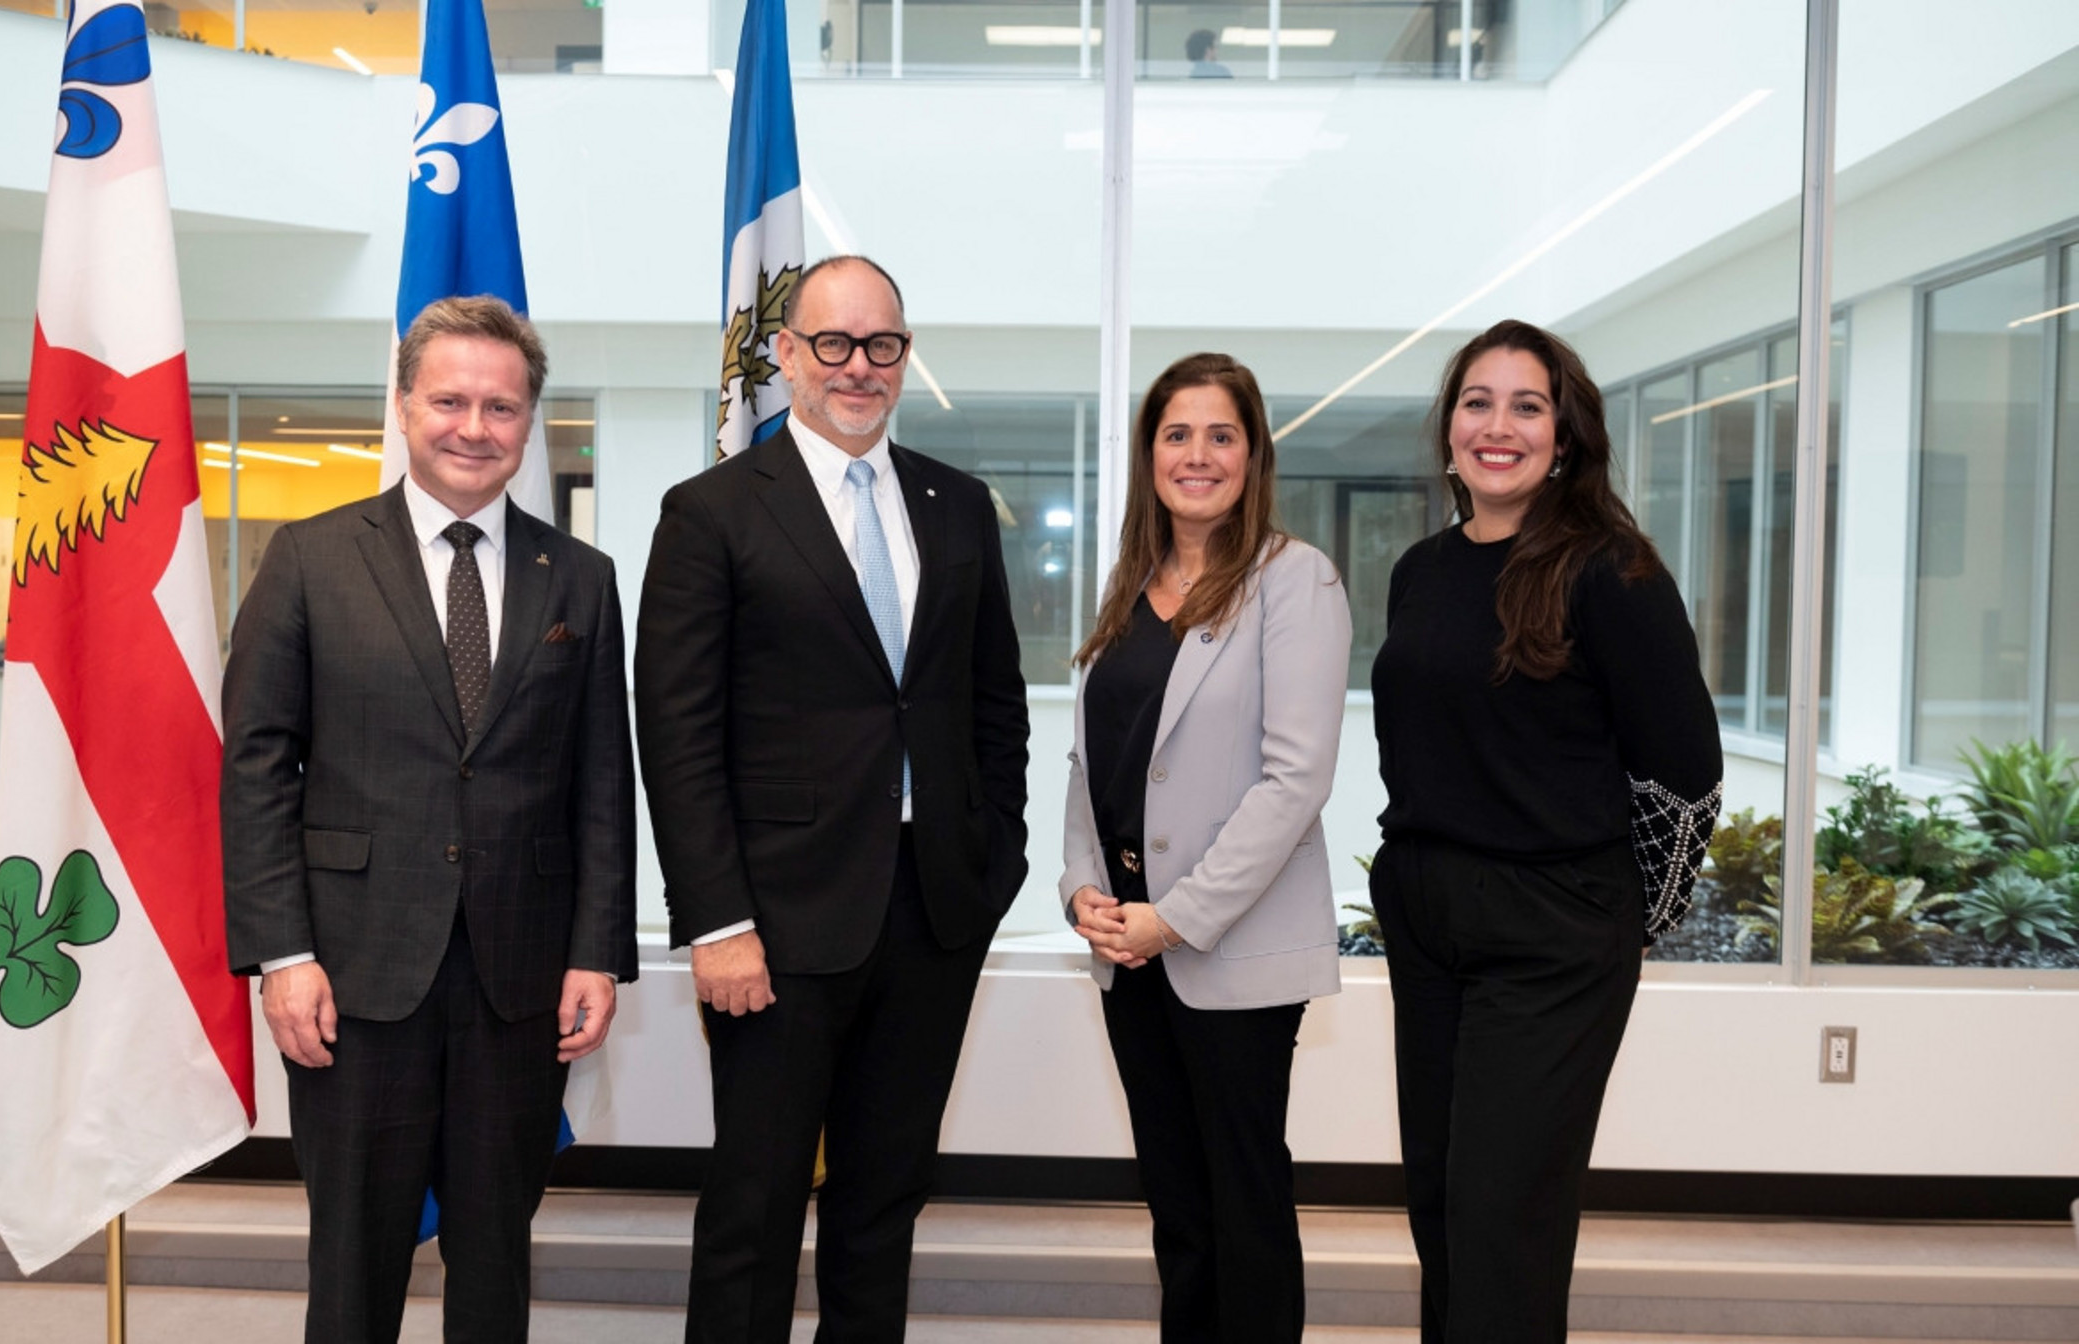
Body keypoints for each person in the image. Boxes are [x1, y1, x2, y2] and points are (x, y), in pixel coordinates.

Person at [222, 295, 638, 1344]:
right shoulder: (310, 559)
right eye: (448, 399)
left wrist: (596, 953)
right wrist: (282, 954)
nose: (473, 426)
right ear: (403, 408)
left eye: (500, 407)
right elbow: (258, 767)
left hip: (520, 979)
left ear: (526, 423)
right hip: (353, 979)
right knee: (354, 1264)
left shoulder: (579, 578)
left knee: (494, 1261)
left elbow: (600, 780)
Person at [636, 254, 1031, 1342]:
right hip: (772, 926)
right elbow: (675, 734)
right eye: (833, 344)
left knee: (882, 1203)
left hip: (932, 913)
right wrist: (716, 921)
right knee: (754, 1208)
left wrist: (993, 861)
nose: (858, 368)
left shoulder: (955, 506)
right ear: (784, 356)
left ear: (905, 354)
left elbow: (993, 705)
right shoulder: (711, 511)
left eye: (882, 344)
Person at [1370, 319, 1722, 1342]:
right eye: (1476, 402)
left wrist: (1620, 924)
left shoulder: (1611, 574)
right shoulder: (1422, 571)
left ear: (1562, 435)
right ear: (1447, 429)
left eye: (1526, 406)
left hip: (1552, 930)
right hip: (1430, 913)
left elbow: (1686, 779)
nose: (1497, 426)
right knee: (1438, 1203)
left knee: (1501, 1221)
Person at [1060, 352, 1350, 1341]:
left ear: (1253, 452)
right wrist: (1081, 894)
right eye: (1175, 434)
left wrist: (1174, 917)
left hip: (1226, 952)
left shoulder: (1292, 579)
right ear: (1149, 454)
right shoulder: (1128, 591)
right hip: (1130, 953)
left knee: (1243, 1208)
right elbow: (1089, 765)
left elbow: (1294, 779)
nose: (1196, 454)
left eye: (1219, 434)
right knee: (1178, 1212)